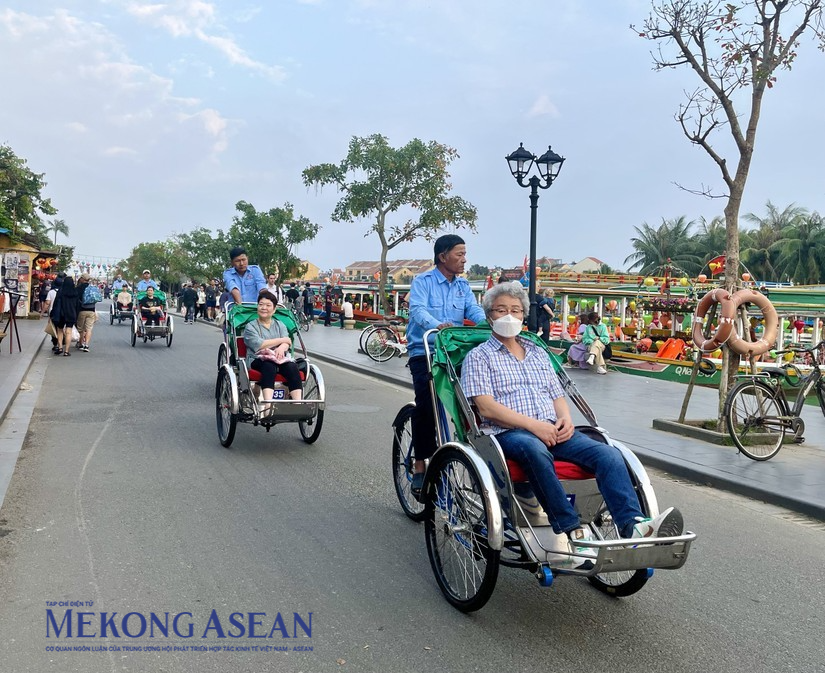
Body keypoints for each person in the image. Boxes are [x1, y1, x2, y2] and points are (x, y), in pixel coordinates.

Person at [460, 282, 684, 568]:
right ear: (490, 315)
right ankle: (572, 529)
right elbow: (486, 407)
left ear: (524, 315)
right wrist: (533, 426)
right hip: (509, 433)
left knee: (609, 453)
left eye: (515, 310)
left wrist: (564, 418)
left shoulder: (538, 353)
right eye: (501, 310)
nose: (509, 315)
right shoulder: (479, 357)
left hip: (554, 429)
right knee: (534, 450)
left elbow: (557, 395)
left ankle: (634, 526)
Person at [407, 234, 486, 496]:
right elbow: (417, 311)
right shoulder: (423, 281)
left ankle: (473, 456)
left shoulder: (463, 287)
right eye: (459, 254)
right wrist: (437, 325)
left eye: (465, 254)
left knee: (477, 402)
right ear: (443, 257)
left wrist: (492, 323)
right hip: (425, 350)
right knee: (427, 405)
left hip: (454, 352)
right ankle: (420, 466)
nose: (464, 259)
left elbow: (473, 312)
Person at [242, 290, 303, 411]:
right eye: (261, 304)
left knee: (292, 367)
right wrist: (282, 340)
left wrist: (282, 346)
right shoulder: (250, 326)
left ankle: (298, 404)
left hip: (279, 359)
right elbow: (260, 344)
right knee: (268, 366)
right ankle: (268, 404)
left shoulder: (280, 324)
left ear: (274, 309)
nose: (264, 308)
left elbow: (287, 343)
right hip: (256, 359)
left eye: (268, 305)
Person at [53, 276, 79, 356]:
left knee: (60, 330)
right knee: (69, 332)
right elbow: (77, 305)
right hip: (71, 313)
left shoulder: (61, 291)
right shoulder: (75, 292)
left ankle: (60, 347)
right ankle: (66, 351)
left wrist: (53, 313)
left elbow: (56, 303)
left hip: (61, 313)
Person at [75, 273, 98, 353]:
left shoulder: (79, 288)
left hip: (81, 310)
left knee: (80, 329)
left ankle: (80, 343)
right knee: (89, 328)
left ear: (82, 279)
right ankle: (86, 344)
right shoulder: (92, 288)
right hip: (91, 310)